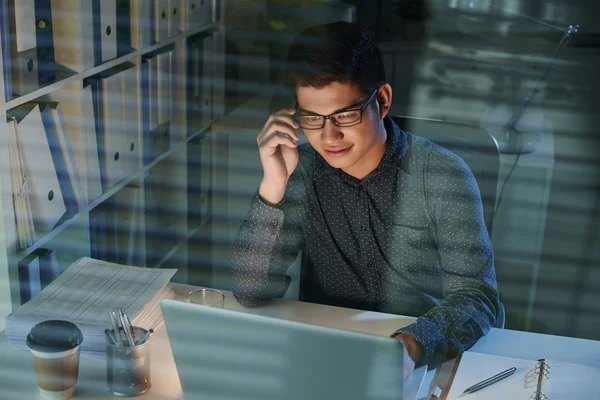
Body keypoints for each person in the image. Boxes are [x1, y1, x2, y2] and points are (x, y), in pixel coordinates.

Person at [230, 21, 501, 379]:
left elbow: (477, 296)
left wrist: (407, 349)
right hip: (327, 354)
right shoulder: (300, 169)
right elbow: (250, 292)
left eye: (344, 114)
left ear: (383, 101)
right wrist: (273, 185)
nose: (329, 136)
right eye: (312, 117)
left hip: (423, 356)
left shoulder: (440, 174)